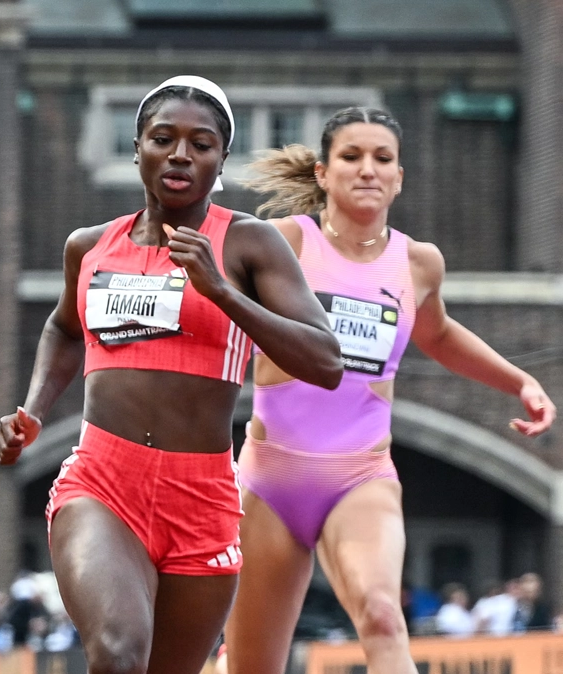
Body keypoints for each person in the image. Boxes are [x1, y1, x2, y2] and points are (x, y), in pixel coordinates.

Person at [0, 76, 343, 674]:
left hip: (201, 496)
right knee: (119, 653)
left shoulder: (247, 244)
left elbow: (326, 362)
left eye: (200, 144)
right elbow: (62, 327)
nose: (181, 154)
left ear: (220, 160)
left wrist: (222, 292)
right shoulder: (89, 246)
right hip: (102, 484)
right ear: (137, 148)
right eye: (163, 138)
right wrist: (33, 409)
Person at [224, 107, 556, 674]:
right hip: (268, 478)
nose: (368, 169)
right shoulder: (282, 245)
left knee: (382, 614)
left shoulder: (419, 263)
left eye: (383, 159)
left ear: (400, 177)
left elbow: (440, 335)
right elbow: (215, 317)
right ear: (323, 174)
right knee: (252, 664)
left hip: (360, 475)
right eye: (351, 157)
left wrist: (519, 380)